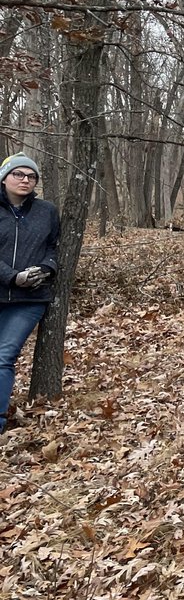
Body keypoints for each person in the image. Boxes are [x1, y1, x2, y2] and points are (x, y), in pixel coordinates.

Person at [0, 153, 59, 433]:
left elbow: (54, 247)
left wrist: (47, 269)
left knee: (4, 356)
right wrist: (13, 277)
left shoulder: (46, 211)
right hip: (5, 286)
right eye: (18, 174)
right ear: (4, 177)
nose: (25, 180)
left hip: (29, 299)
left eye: (31, 176)